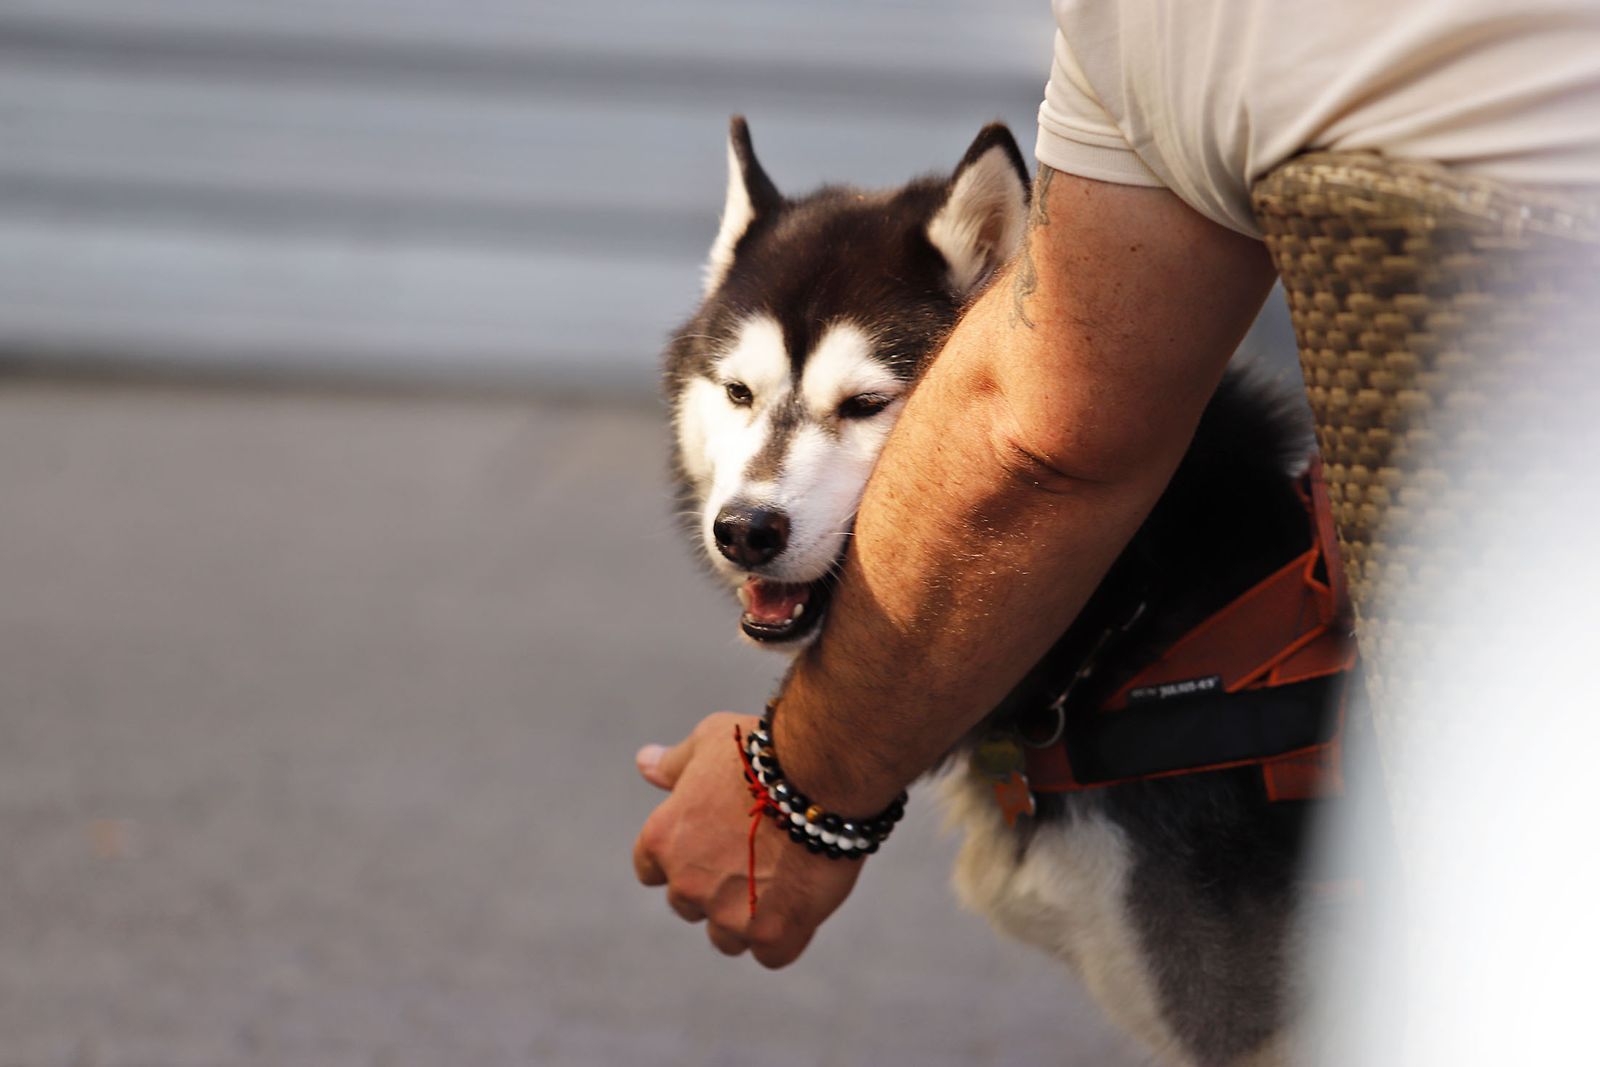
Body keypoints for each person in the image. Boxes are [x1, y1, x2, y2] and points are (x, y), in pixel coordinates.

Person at [631, 0, 1600, 969]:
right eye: (740, 393)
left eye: (860, 406)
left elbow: (1045, 433)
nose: (757, 492)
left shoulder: (1160, 32)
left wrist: (797, 789)